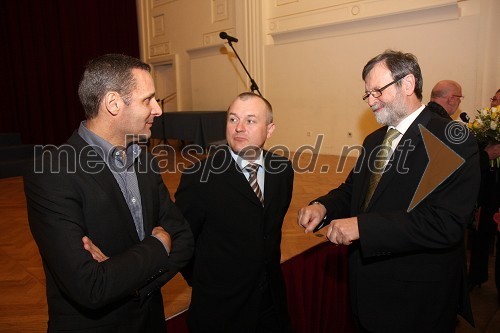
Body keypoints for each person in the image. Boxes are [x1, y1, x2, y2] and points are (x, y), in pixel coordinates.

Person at [297, 50, 480, 332]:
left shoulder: (450, 138)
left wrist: (363, 228)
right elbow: (353, 192)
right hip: (366, 289)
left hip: (416, 298)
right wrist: (323, 206)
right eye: (367, 94)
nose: (370, 101)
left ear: (408, 84)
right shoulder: (374, 140)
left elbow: (444, 223)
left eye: (377, 91)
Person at [24, 54, 194, 333]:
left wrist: (133, 283)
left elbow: (184, 238)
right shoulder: (52, 172)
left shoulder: (144, 160)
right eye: (148, 100)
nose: (158, 110)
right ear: (113, 103)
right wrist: (159, 245)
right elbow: (91, 287)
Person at [174, 92, 294, 333]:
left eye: (250, 120)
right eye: (232, 119)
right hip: (221, 309)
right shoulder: (200, 176)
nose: (239, 128)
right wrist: (207, 282)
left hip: (271, 302)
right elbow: (182, 239)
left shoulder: (282, 170)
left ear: (270, 129)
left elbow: (269, 230)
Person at [468, 88, 500, 303]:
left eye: (496, 99)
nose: (492, 101)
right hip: (485, 194)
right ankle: (476, 276)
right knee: (479, 237)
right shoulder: (482, 129)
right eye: (492, 98)